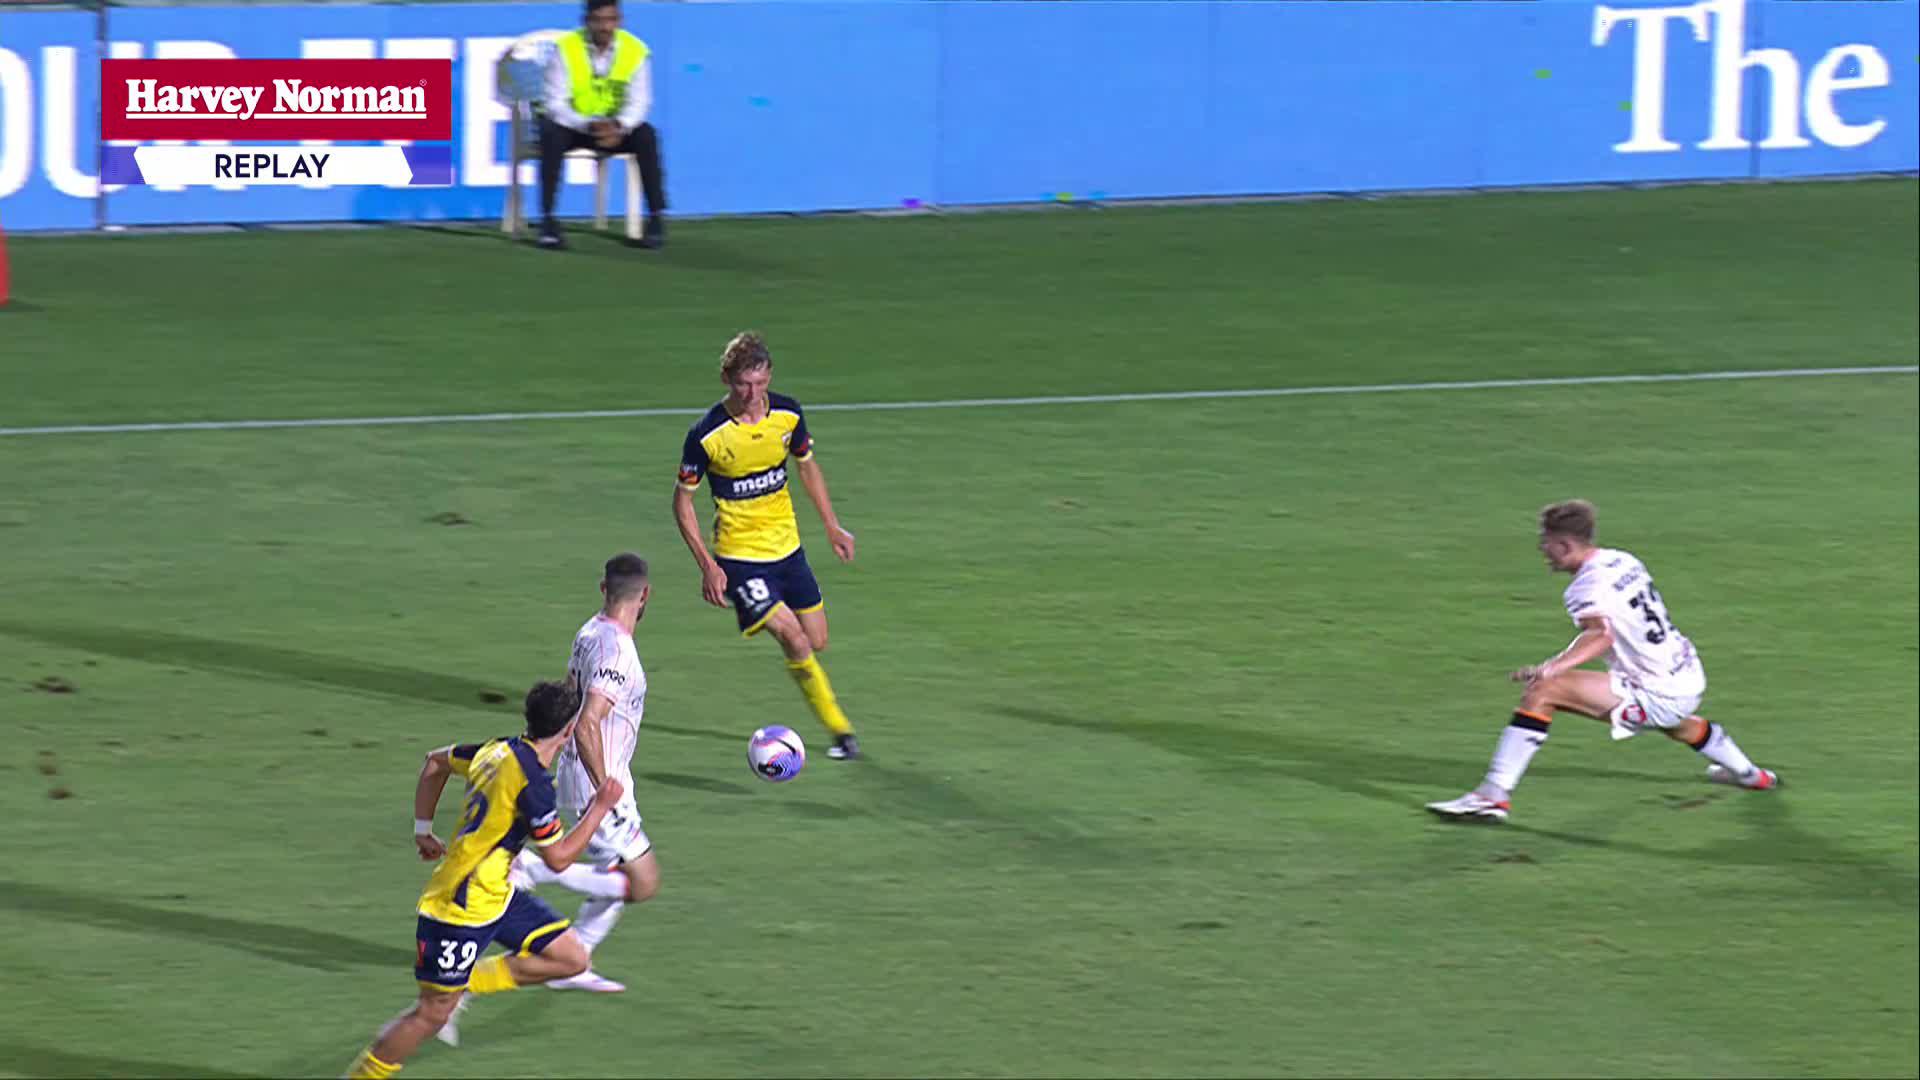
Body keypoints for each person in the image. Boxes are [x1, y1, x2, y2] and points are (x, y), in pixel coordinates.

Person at [1426, 499, 1779, 823]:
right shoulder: (1623, 560)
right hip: (1686, 673)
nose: (1542, 550)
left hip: (1658, 690)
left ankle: (1492, 796)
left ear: (1565, 545)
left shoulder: (1585, 587)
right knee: (1675, 722)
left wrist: (1553, 667)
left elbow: (1600, 635)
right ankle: (1751, 775)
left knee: (1545, 689)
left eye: (1545, 542)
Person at [342, 680, 624, 1079]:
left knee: (571, 959)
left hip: (497, 896)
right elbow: (559, 858)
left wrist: (423, 830)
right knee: (430, 1016)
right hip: (459, 909)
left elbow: (435, 763)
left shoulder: (497, 749)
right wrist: (599, 807)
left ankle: (465, 982)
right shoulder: (534, 784)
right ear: (567, 731)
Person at [673, 332, 863, 760]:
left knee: (816, 640)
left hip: (788, 550)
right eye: (743, 384)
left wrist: (832, 526)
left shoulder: (788, 415)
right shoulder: (707, 435)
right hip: (740, 558)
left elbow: (807, 467)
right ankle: (842, 732)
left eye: (760, 383)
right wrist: (707, 565)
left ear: (770, 377)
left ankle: (834, 724)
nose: (752, 393)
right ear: (727, 379)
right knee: (794, 638)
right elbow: (681, 503)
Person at [506, 552, 660, 995]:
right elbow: (589, 720)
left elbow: (569, 700)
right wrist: (604, 787)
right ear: (645, 595)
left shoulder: (589, 631)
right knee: (642, 882)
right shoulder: (619, 653)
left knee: (616, 874)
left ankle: (576, 960)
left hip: (591, 771)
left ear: (603, 589)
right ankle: (536, 869)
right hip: (598, 778)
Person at [537, 0, 667, 250]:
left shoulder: (635, 50)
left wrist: (619, 125)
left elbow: (640, 102)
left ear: (619, 21)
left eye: (610, 20)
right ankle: (548, 221)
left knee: (646, 135)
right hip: (576, 127)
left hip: (614, 129)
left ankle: (656, 218)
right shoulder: (566, 48)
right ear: (586, 22)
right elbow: (555, 103)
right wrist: (588, 125)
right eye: (598, 20)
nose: (605, 27)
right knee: (550, 133)